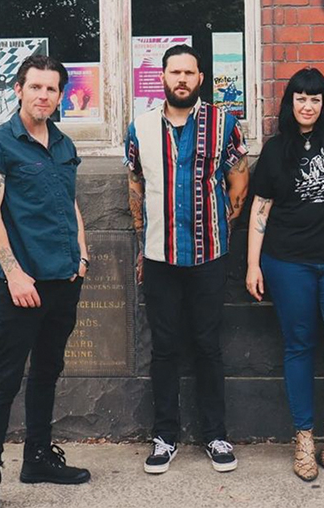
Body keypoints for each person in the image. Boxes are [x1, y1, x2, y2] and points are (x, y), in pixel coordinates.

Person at [0, 55, 91, 508]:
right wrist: (15, 273)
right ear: (18, 89)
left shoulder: (63, 144)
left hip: (64, 280)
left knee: (46, 372)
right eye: (35, 87)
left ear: (60, 95)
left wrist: (82, 255)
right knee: (4, 382)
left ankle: (37, 458)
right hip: (22, 286)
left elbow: (69, 202)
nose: (43, 95)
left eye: (51, 88)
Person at [124, 44, 249, 475]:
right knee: (164, 348)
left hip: (209, 254)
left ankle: (216, 435)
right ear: (162, 77)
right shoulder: (140, 127)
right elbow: (135, 185)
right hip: (159, 255)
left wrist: (218, 225)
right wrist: (142, 244)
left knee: (207, 346)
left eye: (189, 73)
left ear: (200, 78)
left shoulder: (224, 123)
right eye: (174, 72)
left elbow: (239, 182)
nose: (181, 79)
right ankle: (164, 436)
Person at [245, 68, 324, 481]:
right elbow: (261, 208)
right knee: (299, 345)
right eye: (300, 98)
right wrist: (252, 264)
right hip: (288, 261)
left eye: (315, 99)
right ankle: (302, 436)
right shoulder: (277, 149)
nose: (308, 106)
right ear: (290, 102)